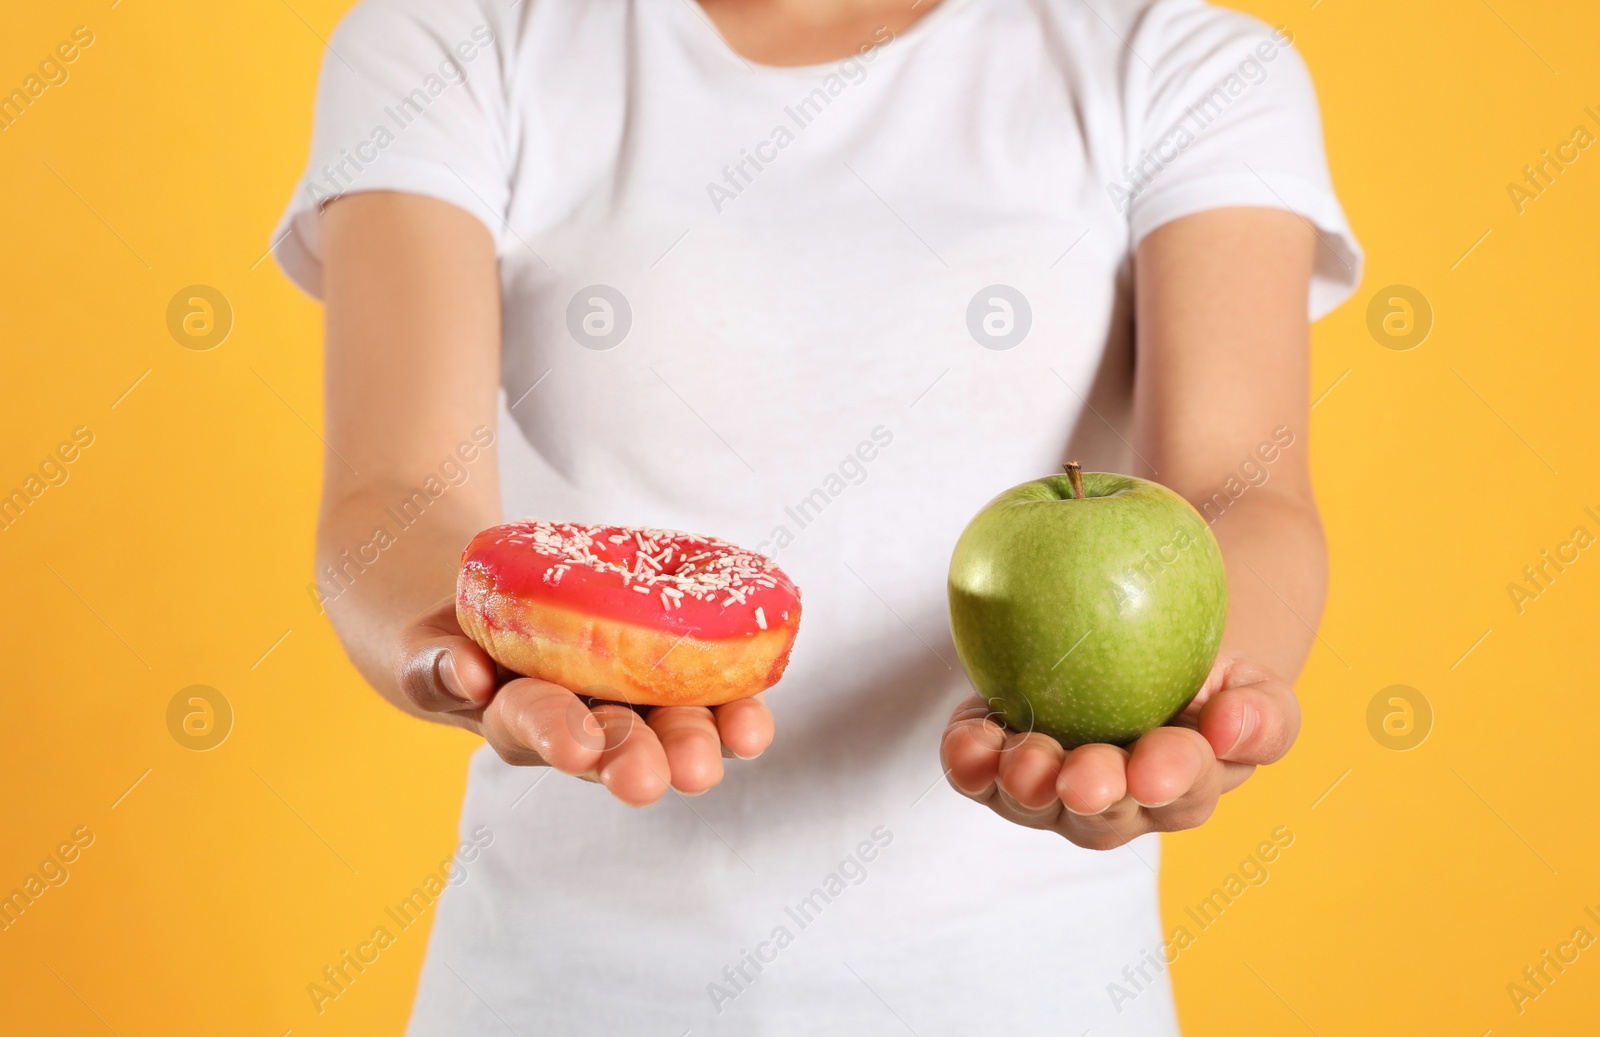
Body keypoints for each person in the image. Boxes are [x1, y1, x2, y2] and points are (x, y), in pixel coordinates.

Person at [273, 0, 1361, 1032]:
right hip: (557, 986)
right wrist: (451, 652)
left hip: (1029, 991)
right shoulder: (455, 34)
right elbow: (400, 487)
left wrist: (1207, 691)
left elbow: (1238, 488)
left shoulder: (1180, 59)